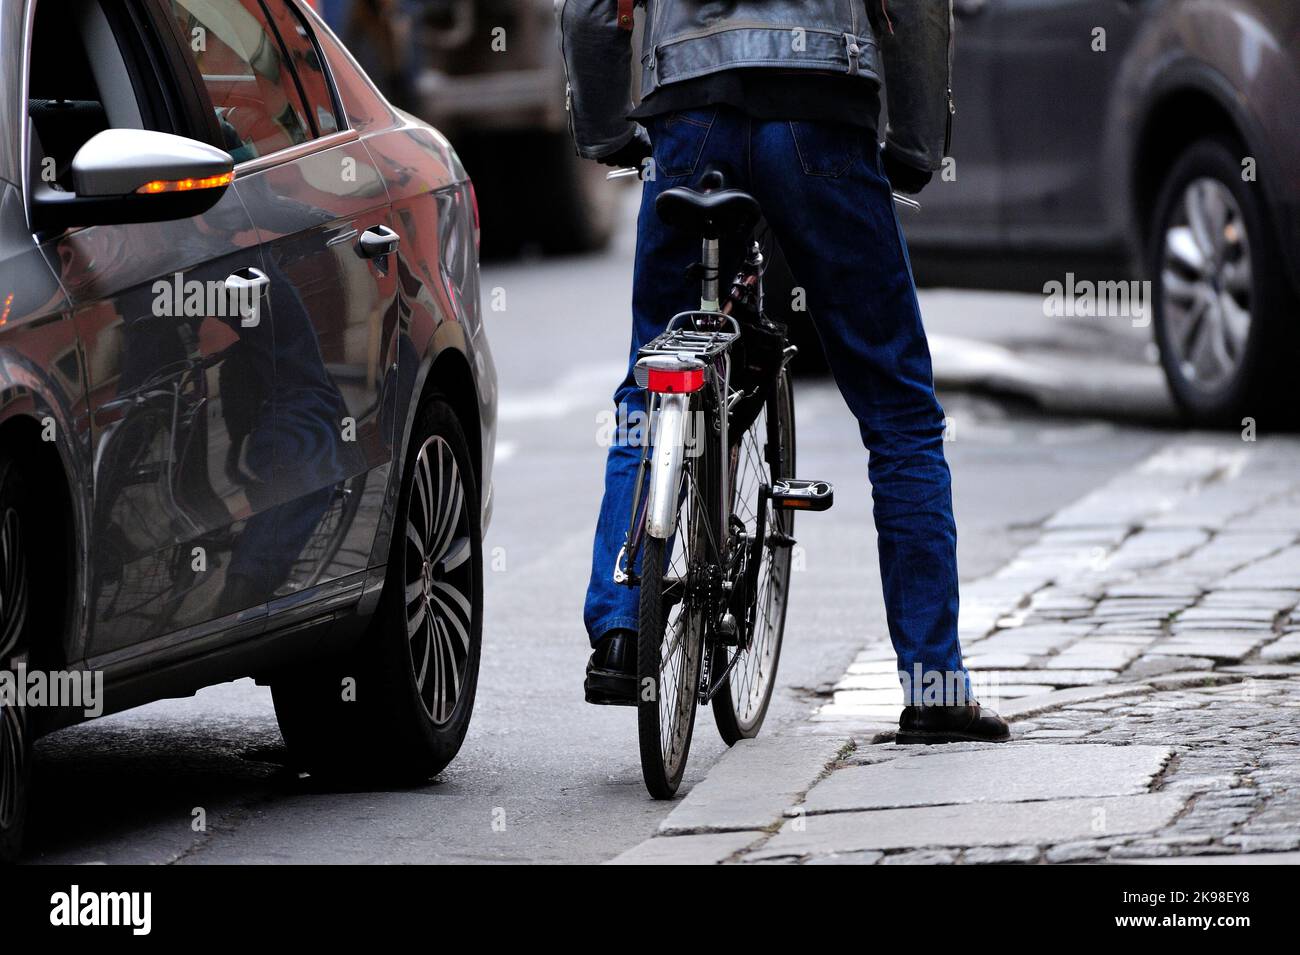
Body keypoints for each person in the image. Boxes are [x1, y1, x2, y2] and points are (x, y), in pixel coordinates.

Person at [557, 0, 1009, 744]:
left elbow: (595, 10)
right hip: (819, 107)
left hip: (690, 106)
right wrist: (917, 143)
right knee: (899, 407)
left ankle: (619, 629)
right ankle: (934, 683)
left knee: (651, 376)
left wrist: (610, 130)